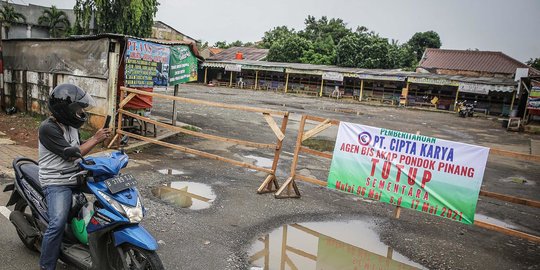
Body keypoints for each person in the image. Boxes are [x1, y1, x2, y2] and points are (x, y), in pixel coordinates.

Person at [38, 84, 111, 270]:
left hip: (75, 175)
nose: (81, 112)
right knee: (57, 223)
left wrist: (98, 141)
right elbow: (71, 154)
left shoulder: (70, 125)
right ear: (65, 109)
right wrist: (95, 139)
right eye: (78, 109)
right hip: (57, 182)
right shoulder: (48, 128)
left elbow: (79, 147)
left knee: (109, 195)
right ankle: (46, 266)